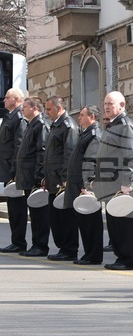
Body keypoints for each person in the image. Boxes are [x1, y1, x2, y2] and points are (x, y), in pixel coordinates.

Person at [99, 91, 133, 271]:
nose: (106, 107)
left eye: (110, 103)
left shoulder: (125, 126)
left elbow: (130, 156)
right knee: (114, 223)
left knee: (123, 223)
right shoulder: (113, 125)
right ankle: (120, 256)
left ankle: (128, 258)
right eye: (105, 103)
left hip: (119, 184)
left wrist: (127, 183)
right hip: (109, 182)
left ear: (121, 106)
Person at [66, 105, 103, 265]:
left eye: (82, 115)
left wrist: (87, 185)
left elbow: (91, 161)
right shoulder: (86, 133)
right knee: (83, 221)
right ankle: (89, 254)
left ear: (92, 117)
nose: (79, 118)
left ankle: (93, 255)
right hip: (77, 183)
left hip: (84, 186)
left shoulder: (94, 135)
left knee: (90, 223)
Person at [43, 96, 79, 261]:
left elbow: (69, 155)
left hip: (61, 180)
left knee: (65, 217)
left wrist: (66, 178)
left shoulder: (68, 126)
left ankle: (69, 249)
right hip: (52, 179)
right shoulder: (55, 125)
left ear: (58, 108)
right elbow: (50, 155)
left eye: (49, 109)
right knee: (54, 217)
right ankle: (62, 247)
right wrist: (45, 177)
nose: (47, 112)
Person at [15, 96, 49, 257]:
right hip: (27, 175)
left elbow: (42, 152)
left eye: (25, 107)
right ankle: (36, 244)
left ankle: (41, 245)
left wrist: (39, 177)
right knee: (34, 213)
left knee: (39, 213)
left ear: (34, 108)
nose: (22, 109)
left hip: (34, 176)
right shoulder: (31, 124)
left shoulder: (40, 125)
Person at [0, 88, 28, 253]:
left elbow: (19, 146)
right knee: (12, 207)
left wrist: (15, 172)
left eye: (7, 97)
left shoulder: (19, 118)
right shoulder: (10, 116)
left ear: (16, 99)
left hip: (14, 171)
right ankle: (15, 240)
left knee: (17, 208)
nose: (3, 100)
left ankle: (19, 242)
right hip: (7, 169)